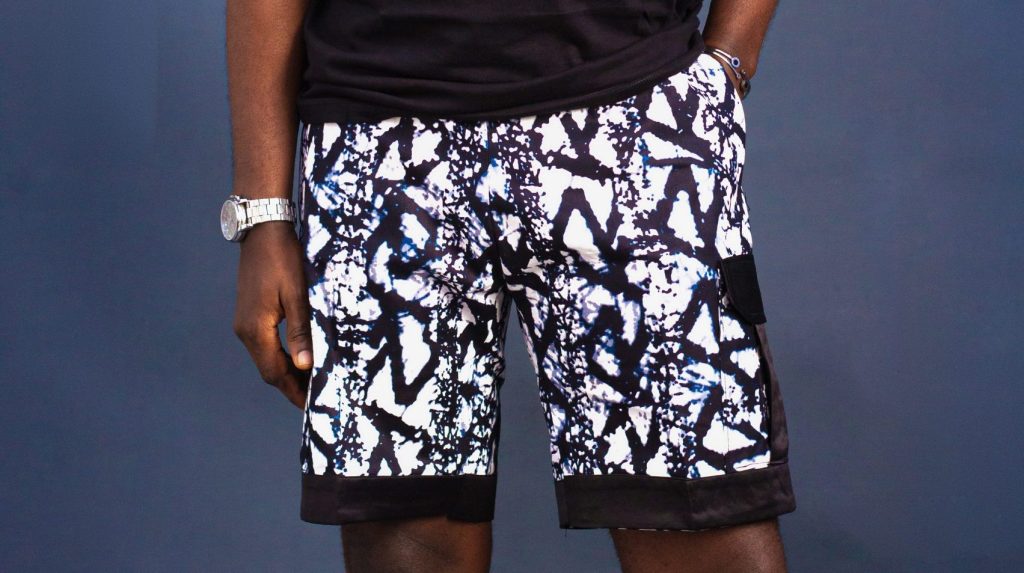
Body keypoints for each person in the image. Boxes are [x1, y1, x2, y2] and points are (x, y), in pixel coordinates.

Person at [223, 0, 796, 571]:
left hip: (632, 122)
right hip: (378, 149)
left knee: (702, 509)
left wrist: (729, 60)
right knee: (401, 520)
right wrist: (261, 213)